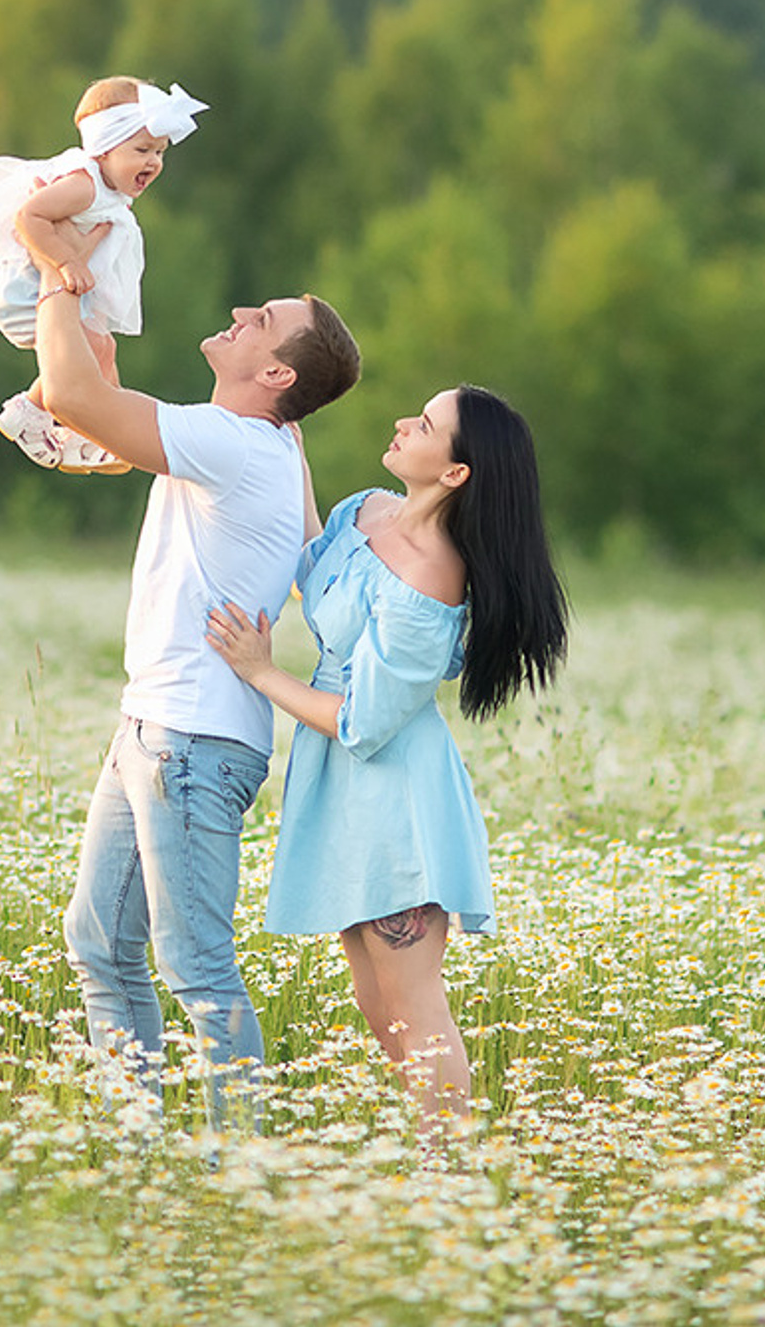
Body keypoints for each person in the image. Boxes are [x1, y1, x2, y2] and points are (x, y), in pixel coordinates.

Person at [19, 211, 361, 1129]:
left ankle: (233, 1172)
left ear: (277, 374)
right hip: (155, 728)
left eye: (264, 318)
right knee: (98, 946)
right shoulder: (263, 443)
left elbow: (72, 396)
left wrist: (56, 271)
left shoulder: (242, 446)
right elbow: (87, 396)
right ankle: (138, 1152)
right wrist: (82, 294)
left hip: (193, 743)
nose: (244, 309)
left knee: (197, 968)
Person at [205, 385, 568, 1135]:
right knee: (375, 998)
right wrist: (287, 452)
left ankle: (448, 1171)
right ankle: (430, 1154)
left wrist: (262, 672)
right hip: (345, 793)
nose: (404, 423)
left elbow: (364, 723)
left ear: (457, 473)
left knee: (411, 1000)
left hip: (394, 795)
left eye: (427, 425)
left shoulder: (431, 577)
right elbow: (316, 565)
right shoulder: (367, 510)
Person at [0, 76, 207, 473]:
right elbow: (28, 216)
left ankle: (94, 433)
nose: (154, 162)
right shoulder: (84, 185)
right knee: (93, 351)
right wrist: (66, 261)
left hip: (62, 291)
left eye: (160, 152)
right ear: (104, 149)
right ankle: (34, 413)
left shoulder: (106, 188)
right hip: (29, 292)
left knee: (103, 350)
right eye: (142, 150)